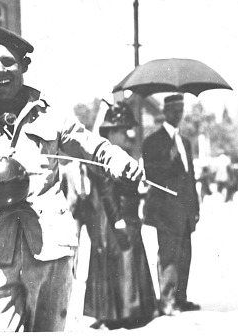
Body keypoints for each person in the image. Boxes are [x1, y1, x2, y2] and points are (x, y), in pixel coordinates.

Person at [0, 24, 144, 332]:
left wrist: (121, 162)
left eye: (8, 62)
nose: (0, 70)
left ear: (24, 66)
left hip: (50, 251)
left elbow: (92, 147)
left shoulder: (52, 117)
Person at [82, 102, 158, 330]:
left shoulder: (123, 155)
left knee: (128, 262)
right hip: (112, 218)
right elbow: (106, 191)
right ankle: (118, 314)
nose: (128, 135)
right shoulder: (103, 159)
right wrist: (117, 219)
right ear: (111, 133)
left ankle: (132, 310)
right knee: (120, 262)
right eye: (123, 130)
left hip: (127, 214)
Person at [142, 94, 200, 316]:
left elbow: (191, 177)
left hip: (185, 210)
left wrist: (195, 208)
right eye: (174, 111)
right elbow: (151, 174)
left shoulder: (185, 142)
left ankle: (180, 298)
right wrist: (170, 159)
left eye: (181, 111)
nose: (178, 115)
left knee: (185, 253)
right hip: (165, 211)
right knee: (168, 255)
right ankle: (166, 300)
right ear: (165, 113)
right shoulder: (153, 142)